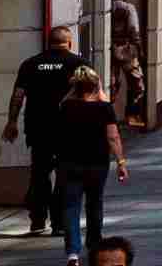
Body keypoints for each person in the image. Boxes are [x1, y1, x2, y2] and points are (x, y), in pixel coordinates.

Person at [3, 22, 84, 237]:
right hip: (70, 130)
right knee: (65, 176)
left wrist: (11, 122)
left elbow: (18, 95)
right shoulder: (79, 64)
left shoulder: (30, 64)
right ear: (69, 42)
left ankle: (37, 220)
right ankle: (59, 223)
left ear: (48, 43)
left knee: (40, 174)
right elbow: (91, 98)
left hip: (38, 130)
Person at [47, 65, 127, 264]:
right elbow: (113, 137)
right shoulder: (104, 108)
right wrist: (121, 162)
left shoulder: (65, 107)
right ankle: (94, 245)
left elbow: (57, 133)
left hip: (69, 163)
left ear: (76, 86)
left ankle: (73, 252)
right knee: (94, 204)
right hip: (97, 164)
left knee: (71, 206)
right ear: (96, 85)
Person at [109, 0, 148, 128]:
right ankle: (132, 114)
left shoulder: (106, 7)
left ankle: (110, 118)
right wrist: (140, 50)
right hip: (127, 51)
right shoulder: (128, 8)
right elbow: (133, 30)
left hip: (110, 50)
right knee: (137, 84)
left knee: (112, 84)